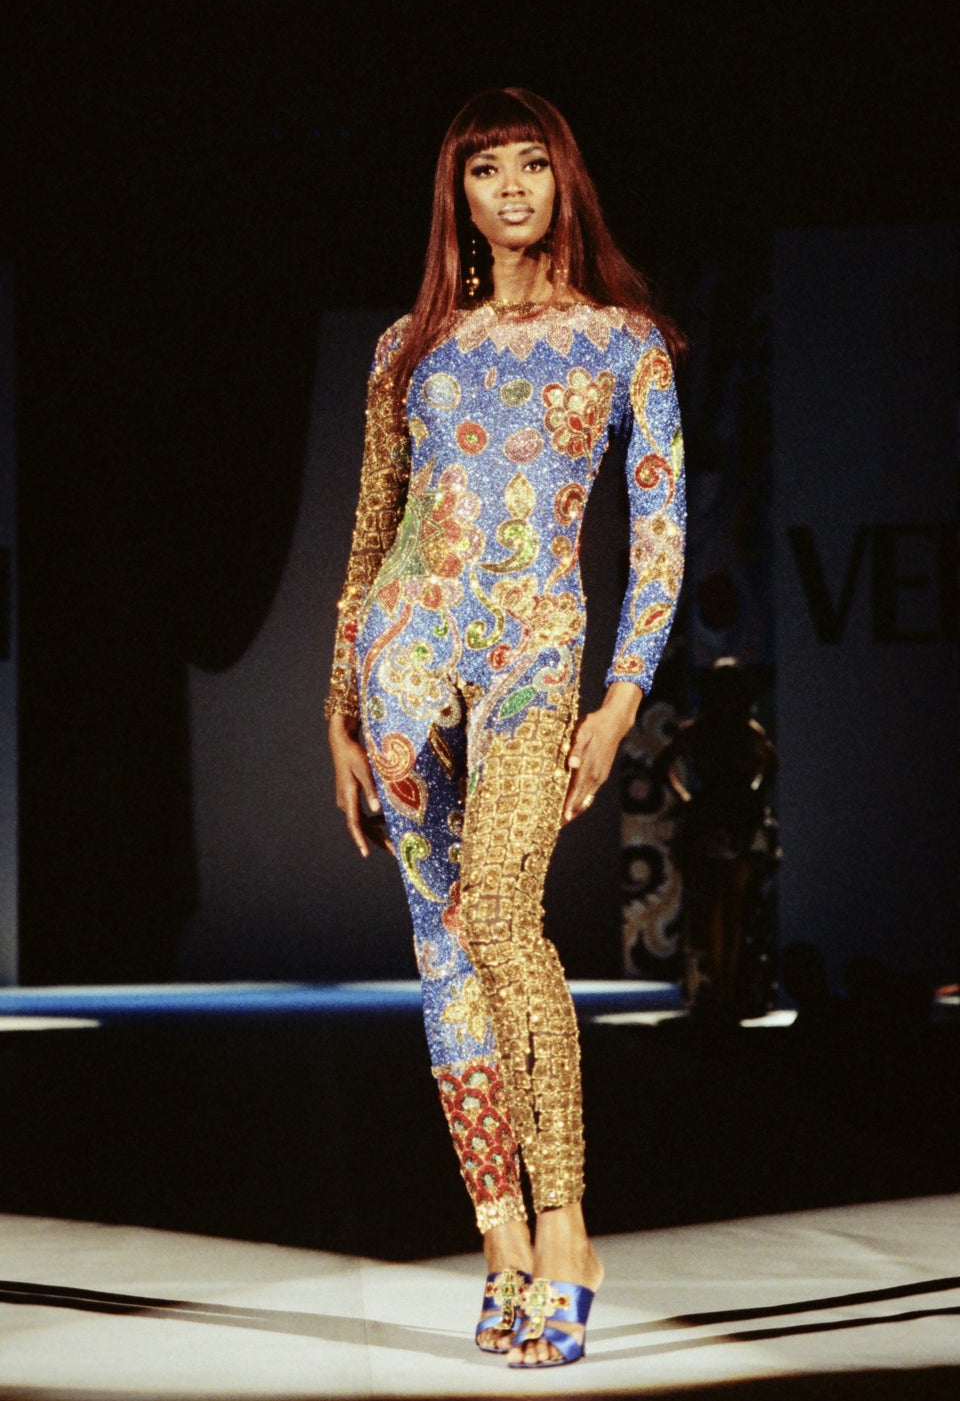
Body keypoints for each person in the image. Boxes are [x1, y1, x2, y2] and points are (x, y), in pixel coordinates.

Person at [326, 87, 685, 1367]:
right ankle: (501, 1244)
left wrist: (624, 695)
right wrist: (337, 709)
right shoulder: (408, 351)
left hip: (538, 658)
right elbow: (373, 536)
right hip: (406, 657)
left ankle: (571, 1227)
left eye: (534, 165)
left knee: (499, 914)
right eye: (489, 170)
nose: (515, 189)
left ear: (565, 181)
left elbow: (658, 540)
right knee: (443, 948)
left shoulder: (621, 343)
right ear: (459, 196)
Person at [657, 657, 779, 1020]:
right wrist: (689, 799)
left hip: (728, 816)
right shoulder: (719, 730)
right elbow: (769, 764)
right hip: (720, 816)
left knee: (727, 904)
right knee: (722, 905)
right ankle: (720, 985)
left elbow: (770, 764)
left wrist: (689, 799)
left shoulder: (733, 729)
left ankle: (724, 985)